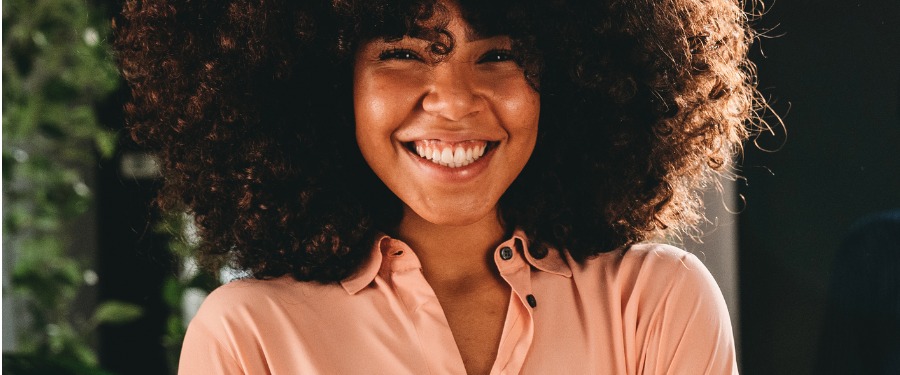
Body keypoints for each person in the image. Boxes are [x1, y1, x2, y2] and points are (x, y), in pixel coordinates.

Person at [114, 0, 759, 373]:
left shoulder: (652, 307)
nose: (453, 101)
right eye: (403, 53)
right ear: (329, 86)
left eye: (498, 55)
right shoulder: (250, 338)